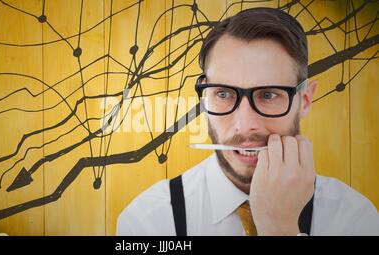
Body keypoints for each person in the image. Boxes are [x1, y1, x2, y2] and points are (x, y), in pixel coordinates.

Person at [116, 7, 379, 236]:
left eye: (267, 95)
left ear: (305, 100)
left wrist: (279, 229)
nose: (245, 125)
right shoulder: (149, 221)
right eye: (224, 94)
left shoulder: (353, 219)